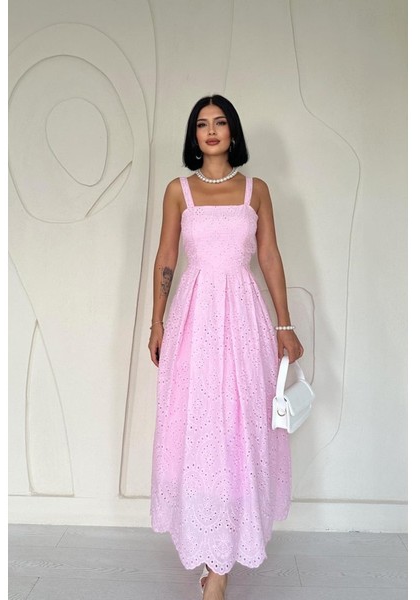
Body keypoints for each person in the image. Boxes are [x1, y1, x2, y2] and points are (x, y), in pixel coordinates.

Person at [148, 95, 304, 600]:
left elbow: (270, 256)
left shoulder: (257, 191)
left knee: (240, 429)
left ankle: (221, 566)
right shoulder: (179, 191)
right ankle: (211, 554)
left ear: (232, 132)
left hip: (243, 317)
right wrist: (157, 321)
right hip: (194, 317)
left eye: (219, 123)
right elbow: (166, 256)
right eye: (202, 124)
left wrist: (284, 324)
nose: (211, 130)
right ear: (194, 136)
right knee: (199, 429)